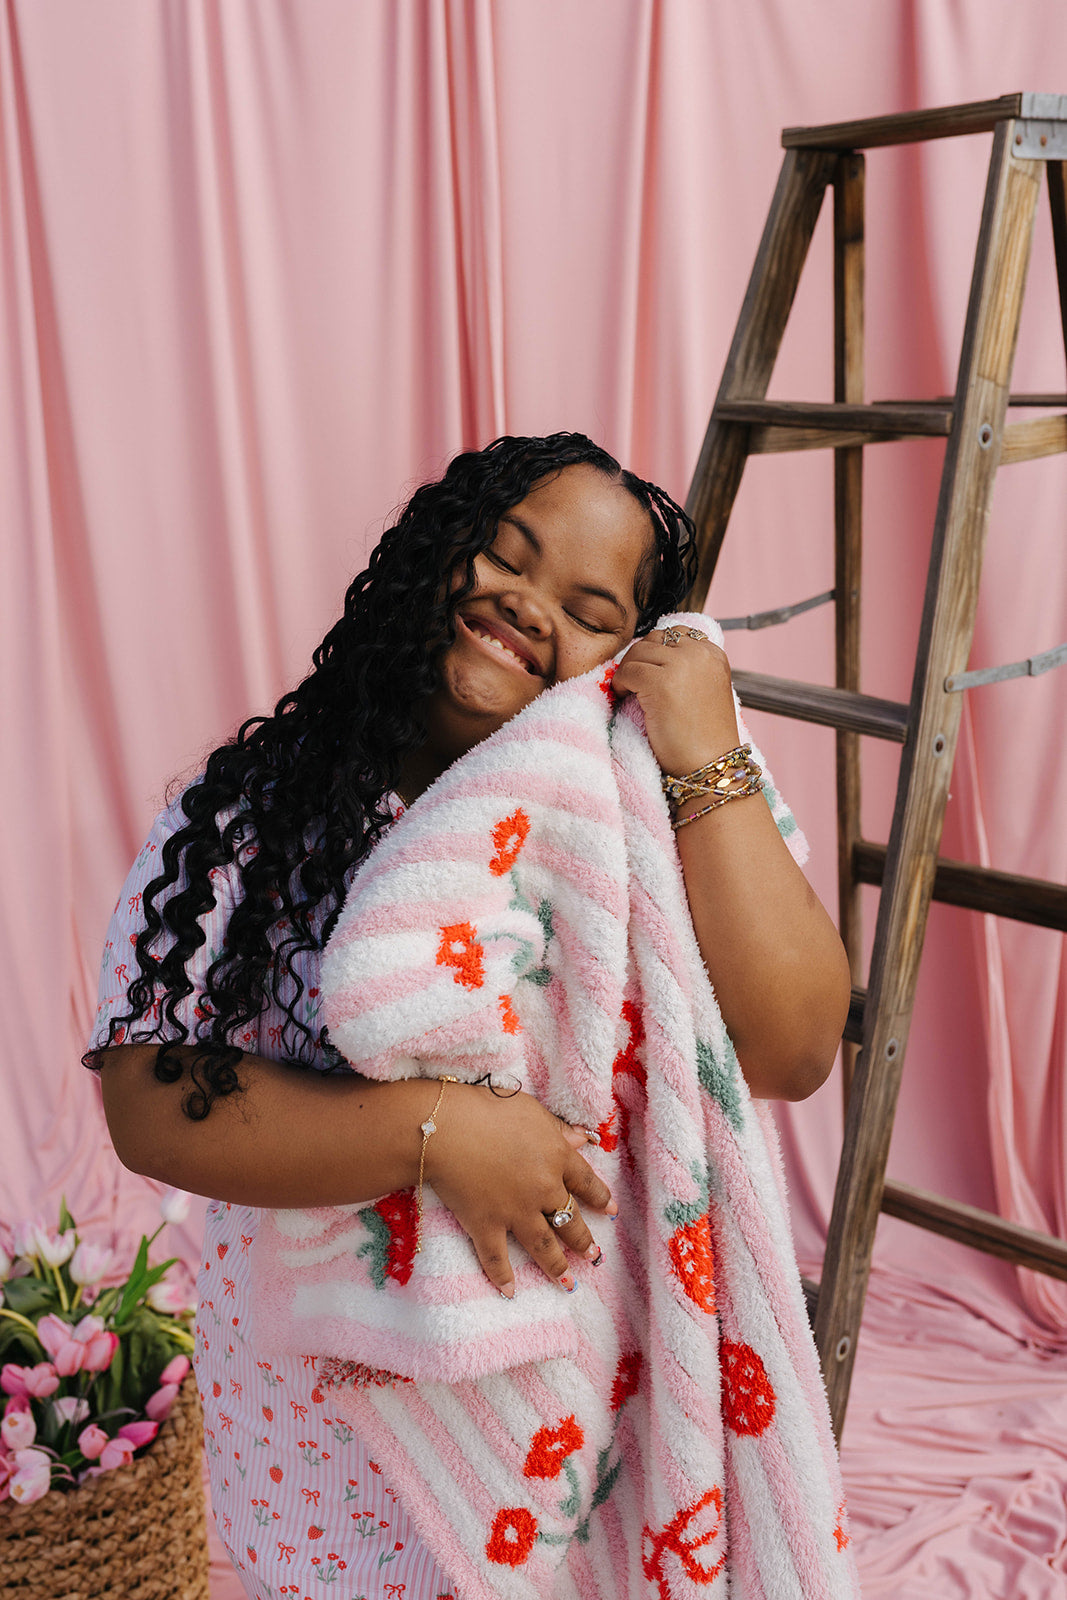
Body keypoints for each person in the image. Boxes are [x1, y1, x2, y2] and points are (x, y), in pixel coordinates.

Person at [89, 431, 851, 1598]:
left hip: (591, 1379)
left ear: (627, 657)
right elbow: (152, 1107)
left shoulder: (652, 797)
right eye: (503, 553)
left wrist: (707, 751)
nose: (527, 604)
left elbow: (792, 1046)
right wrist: (440, 1127)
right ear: (428, 552)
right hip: (335, 1424)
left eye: (590, 607)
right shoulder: (255, 812)